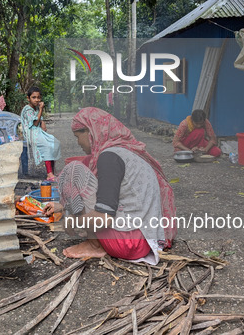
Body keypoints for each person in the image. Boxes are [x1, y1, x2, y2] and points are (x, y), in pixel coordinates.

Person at [44, 107, 176, 262]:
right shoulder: (124, 152)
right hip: (145, 239)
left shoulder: (109, 157)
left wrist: (71, 219)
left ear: (91, 131)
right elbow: (108, 195)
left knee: (74, 169)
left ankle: (95, 245)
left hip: (127, 243)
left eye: (78, 136)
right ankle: (96, 241)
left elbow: (104, 218)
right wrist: (64, 207)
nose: (78, 143)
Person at [20, 87, 61, 181]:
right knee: (46, 146)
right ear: (28, 98)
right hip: (31, 133)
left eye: (38, 97)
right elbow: (34, 123)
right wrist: (41, 109)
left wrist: (41, 120)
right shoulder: (27, 109)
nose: (36, 100)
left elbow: (42, 125)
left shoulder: (35, 109)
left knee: (55, 143)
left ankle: (52, 171)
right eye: (33, 97)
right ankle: (49, 174)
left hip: (37, 131)